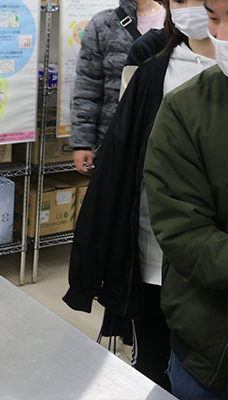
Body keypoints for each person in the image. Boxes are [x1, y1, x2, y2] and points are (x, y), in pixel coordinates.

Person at [64, 0, 214, 391]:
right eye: (180, 0)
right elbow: (120, 147)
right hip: (154, 251)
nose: (193, 8)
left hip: (211, 264)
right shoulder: (151, 66)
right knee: (153, 359)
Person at [143, 0, 228, 397]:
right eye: (214, 18)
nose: (221, 35)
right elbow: (184, 233)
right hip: (211, 355)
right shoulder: (184, 106)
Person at [71, 0, 166, 174]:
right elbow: (88, 86)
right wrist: (82, 143)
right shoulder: (102, 24)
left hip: (165, 136)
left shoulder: (178, 21)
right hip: (115, 136)